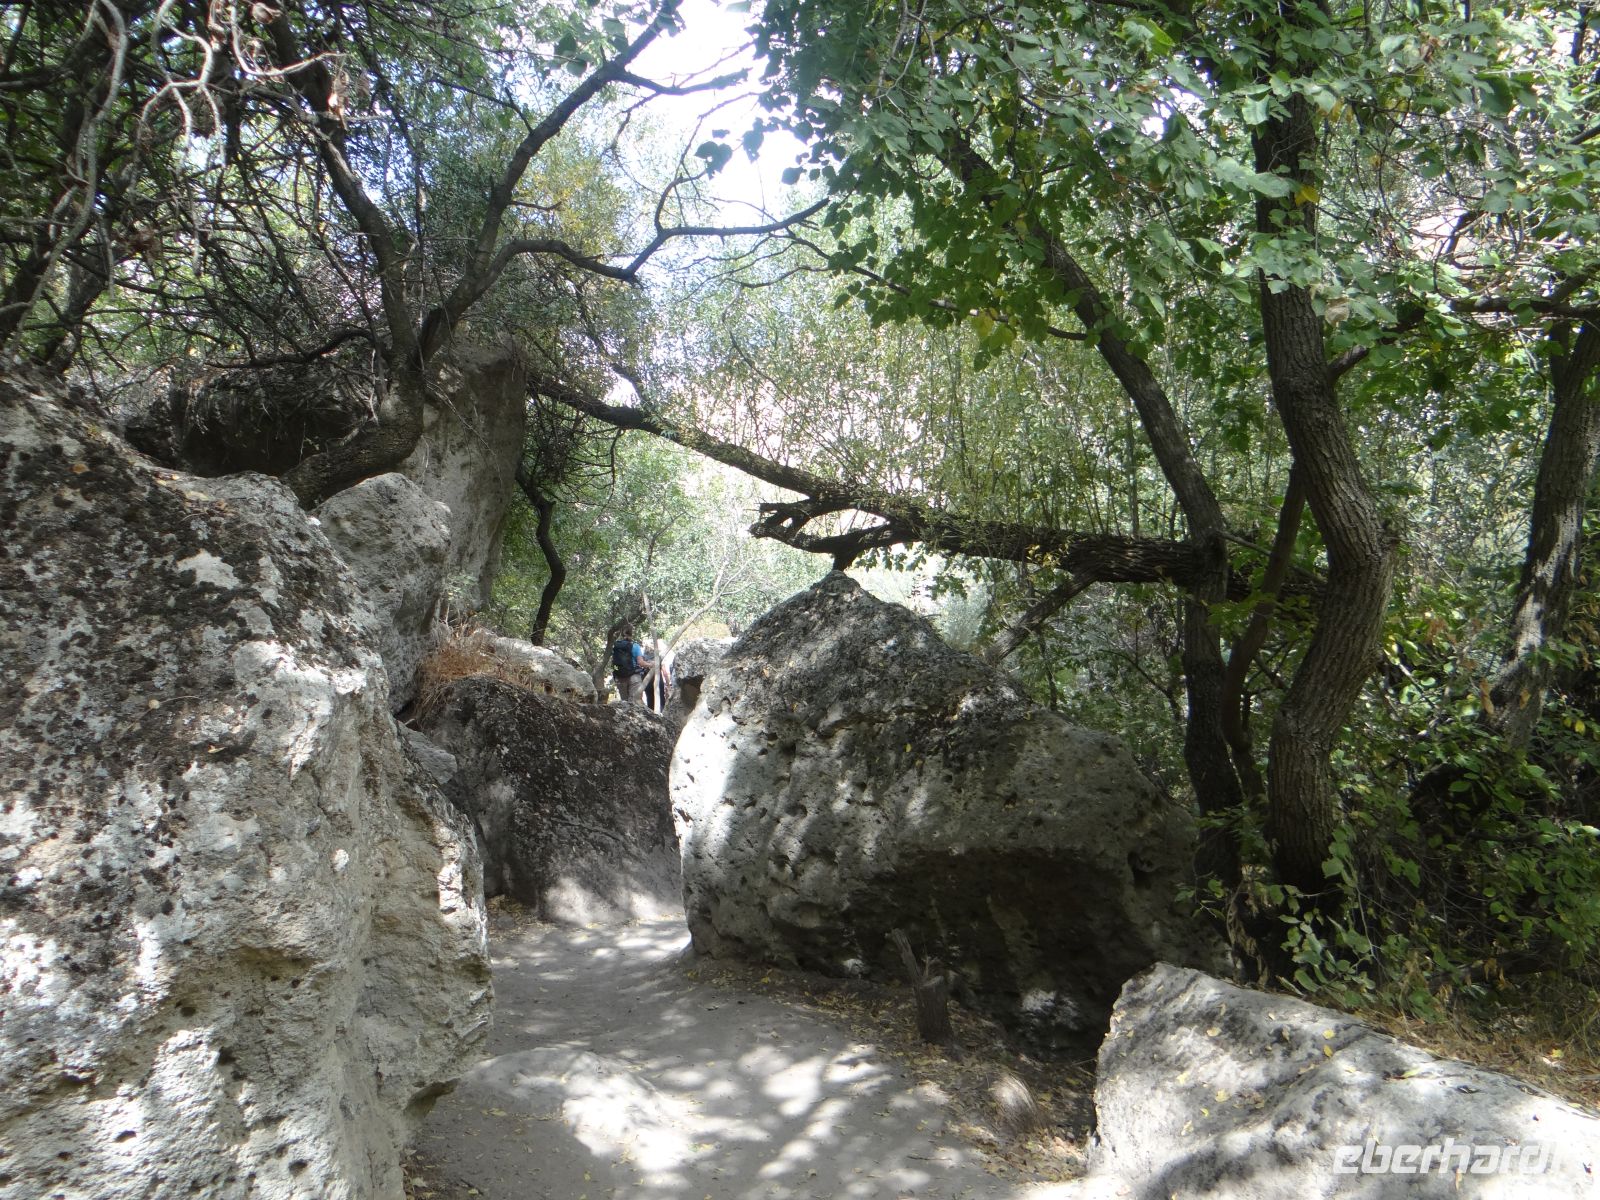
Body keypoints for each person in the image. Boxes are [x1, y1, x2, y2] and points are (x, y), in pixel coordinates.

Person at [611, 626, 652, 705]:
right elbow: (641, 663)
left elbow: (613, 664)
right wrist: (651, 664)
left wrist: (616, 673)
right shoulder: (635, 646)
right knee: (634, 703)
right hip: (634, 677)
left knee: (624, 702)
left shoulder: (616, 646)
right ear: (632, 634)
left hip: (619, 678)